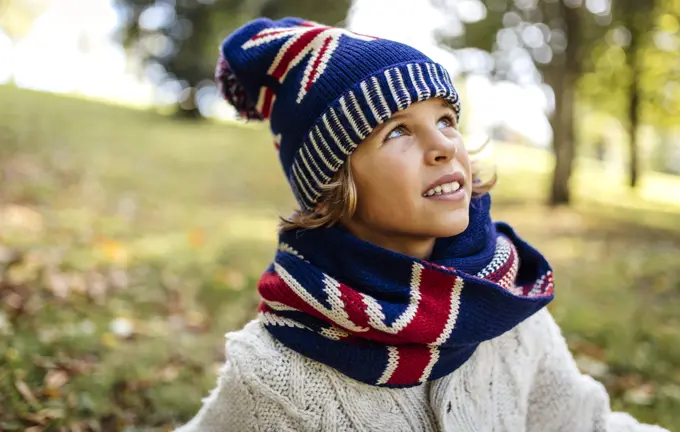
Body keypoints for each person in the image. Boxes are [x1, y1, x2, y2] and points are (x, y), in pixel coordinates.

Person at [177, 17, 668, 432]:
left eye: (446, 119)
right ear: (334, 183)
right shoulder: (273, 375)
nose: (444, 146)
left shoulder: (504, 304)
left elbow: (584, 424)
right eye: (398, 131)